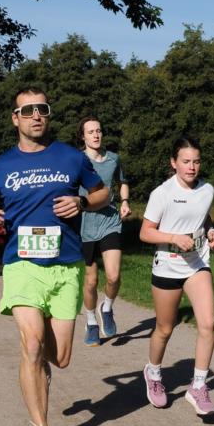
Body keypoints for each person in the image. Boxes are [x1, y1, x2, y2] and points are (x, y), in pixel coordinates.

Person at [0, 87, 108, 426]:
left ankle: (42, 370)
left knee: (58, 358)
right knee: (31, 347)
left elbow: (103, 194)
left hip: (66, 264)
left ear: (48, 115)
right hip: (21, 265)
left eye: (41, 109)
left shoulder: (71, 156)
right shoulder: (0, 167)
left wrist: (81, 201)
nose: (35, 116)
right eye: (27, 111)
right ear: (15, 118)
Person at [139, 136, 214, 416]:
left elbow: (203, 217)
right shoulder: (161, 193)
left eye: (196, 161)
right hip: (167, 266)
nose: (192, 167)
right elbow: (145, 232)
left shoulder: (207, 189)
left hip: (197, 264)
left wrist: (211, 231)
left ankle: (198, 387)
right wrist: (174, 237)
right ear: (174, 163)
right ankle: (154, 373)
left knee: (208, 323)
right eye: (185, 161)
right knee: (164, 328)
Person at [76, 115, 131, 345]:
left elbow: (123, 181)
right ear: (83, 137)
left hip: (109, 221)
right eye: (91, 132)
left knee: (114, 275)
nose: (96, 135)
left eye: (98, 131)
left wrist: (125, 201)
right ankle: (90, 322)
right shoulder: (76, 161)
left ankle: (106, 307)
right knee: (90, 282)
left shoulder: (114, 159)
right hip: (84, 225)